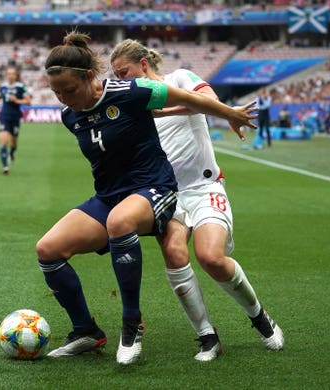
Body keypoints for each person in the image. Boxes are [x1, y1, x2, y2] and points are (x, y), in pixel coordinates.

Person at [36, 31, 258, 366]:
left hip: (155, 187)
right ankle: (85, 331)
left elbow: (186, 97)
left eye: (69, 90)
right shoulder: (71, 116)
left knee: (120, 222)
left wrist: (229, 113)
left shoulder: (132, 91)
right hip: (110, 196)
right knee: (48, 250)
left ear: (90, 77)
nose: (65, 99)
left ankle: (131, 324)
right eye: (57, 93)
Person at [110, 39, 284, 362]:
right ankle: (207, 336)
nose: (122, 80)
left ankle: (260, 317)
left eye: (125, 72)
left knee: (210, 257)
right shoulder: (133, 103)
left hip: (205, 188)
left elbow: (208, 100)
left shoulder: (179, 79)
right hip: (167, 195)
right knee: (175, 253)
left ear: (144, 66)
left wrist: (159, 110)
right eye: (117, 76)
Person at [0, 65, 31, 175]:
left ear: (16, 75)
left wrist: (17, 100)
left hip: (15, 117)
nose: (10, 75)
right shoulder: (3, 86)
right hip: (4, 116)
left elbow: (28, 101)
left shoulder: (21, 87)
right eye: (8, 73)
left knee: (14, 143)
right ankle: (5, 167)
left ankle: (11, 153)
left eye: (12, 74)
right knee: (4, 142)